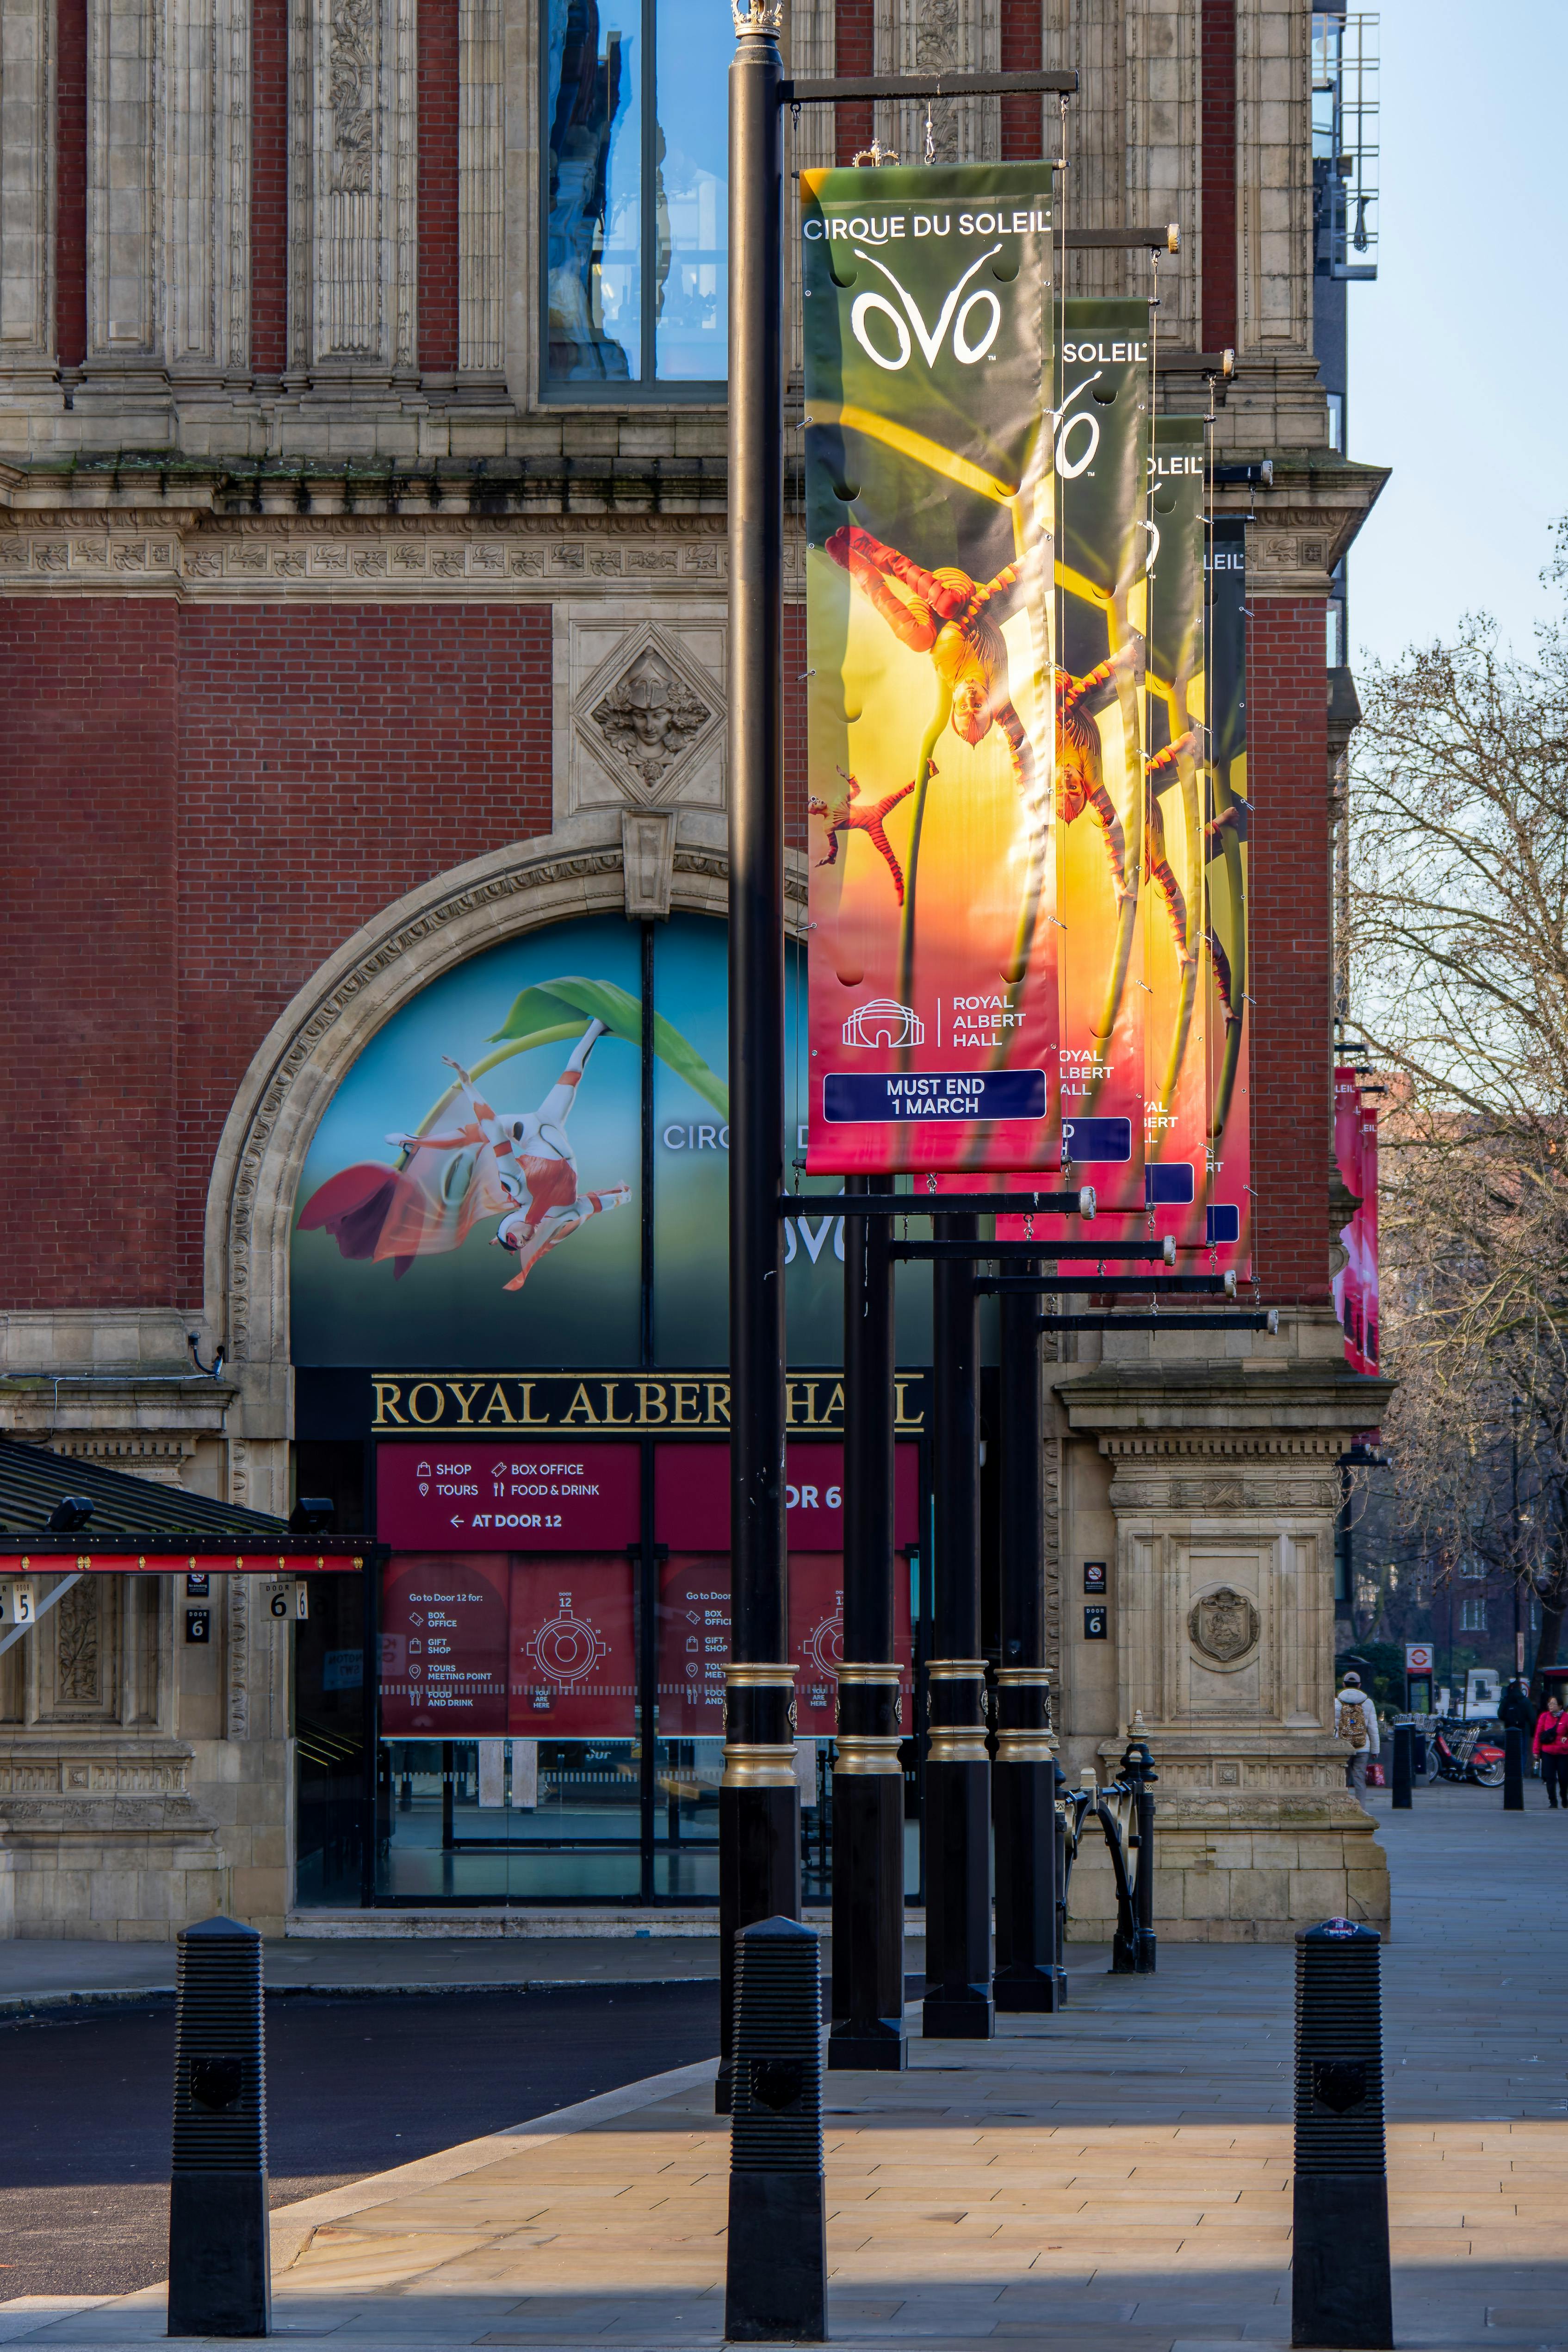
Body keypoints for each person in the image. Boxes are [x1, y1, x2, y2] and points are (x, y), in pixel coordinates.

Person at [1335, 1670, 1381, 1795]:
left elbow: (1333, 1727)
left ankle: (1343, 1808)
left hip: (1342, 1747)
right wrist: (1375, 1750)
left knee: (1342, 1780)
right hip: (1362, 1747)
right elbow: (1373, 1728)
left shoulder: (1336, 1703)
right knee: (1360, 1780)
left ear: (1344, 1685)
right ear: (1359, 1685)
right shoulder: (1368, 1703)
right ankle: (1361, 1809)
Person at [1533, 1694, 1568, 1810]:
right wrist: (1536, 1751)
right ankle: (1553, 1801)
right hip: (1548, 1752)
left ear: (1560, 1706)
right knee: (1550, 1778)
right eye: (1549, 1703)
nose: (1551, 1706)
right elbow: (1539, 1734)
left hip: (1563, 1752)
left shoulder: (1566, 1718)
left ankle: (1564, 1796)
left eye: (1553, 1703)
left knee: (1563, 1777)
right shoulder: (1544, 1717)